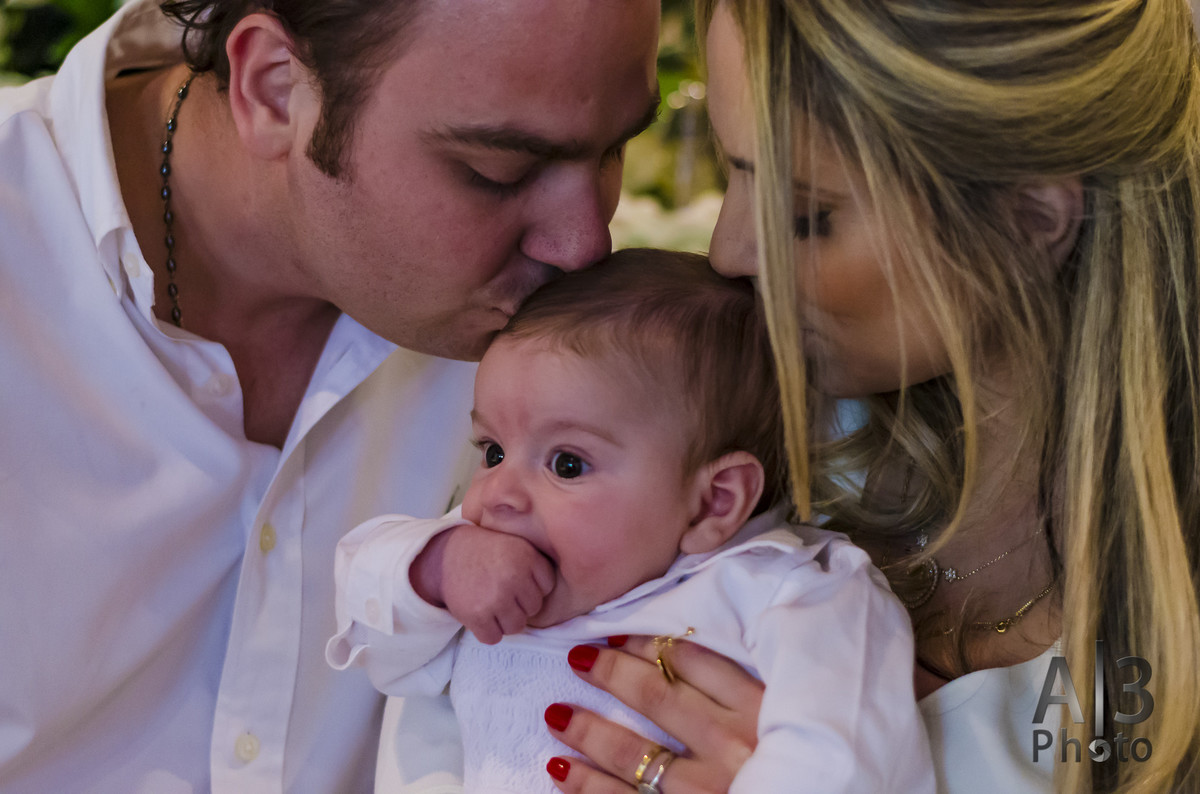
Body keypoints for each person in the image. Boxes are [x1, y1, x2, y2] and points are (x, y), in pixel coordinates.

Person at [530, 2, 1200, 793]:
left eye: (805, 215)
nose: (727, 250)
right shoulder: (738, 453)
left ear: (1030, 220)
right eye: (730, 170)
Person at [0, 0, 660, 789]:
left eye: (616, 149)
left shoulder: (612, 344)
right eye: (499, 173)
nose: (585, 244)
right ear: (274, 87)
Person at [327, 248, 934, 793]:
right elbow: (376, 632)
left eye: (567, 464)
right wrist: (435, 569)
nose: (499, 493)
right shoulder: (485, 570)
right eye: (492, 451)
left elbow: (840, 760)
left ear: (715, 502)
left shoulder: (795, 595)